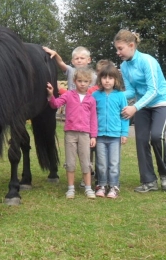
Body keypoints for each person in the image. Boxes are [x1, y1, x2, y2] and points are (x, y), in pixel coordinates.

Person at [114, 29, 166, 193]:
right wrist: (111, 95)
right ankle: (149, 181)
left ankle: (164, 175)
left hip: (160, 103)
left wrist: (134, 107)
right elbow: (131, 91)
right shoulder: (124, 66)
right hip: (143, 106)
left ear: (131, 45)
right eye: (117, 49)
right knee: (141, 140)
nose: (118, 52)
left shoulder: (147, 61)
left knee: (157, 137)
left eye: (120, 48)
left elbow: (154, 90)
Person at [43, 46, 97, 186]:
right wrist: (55, 54)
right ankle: (73, 184)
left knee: (88, 150)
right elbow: (61, 64)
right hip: (73, 114)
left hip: (87, 111)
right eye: (76, 58)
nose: (79, 61)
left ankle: (89, 177)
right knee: (72, 153)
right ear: (72, 61)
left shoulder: (94, 75)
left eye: (82, 58)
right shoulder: (71, 71)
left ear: (89, 60)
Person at [92, 61, 129, 198]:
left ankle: (113, 186)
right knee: (101, 163)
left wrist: (124, 133)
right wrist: (93, 134)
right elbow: (92, 116)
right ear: (100, 79)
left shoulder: (120, 96)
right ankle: (102, 185)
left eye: (110, 78)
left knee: (114, 163)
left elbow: (125, 116)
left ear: (115, 79)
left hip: (115, 136)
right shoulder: (95, 96)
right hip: (100, 136)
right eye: (104, 77)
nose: (107, 81)